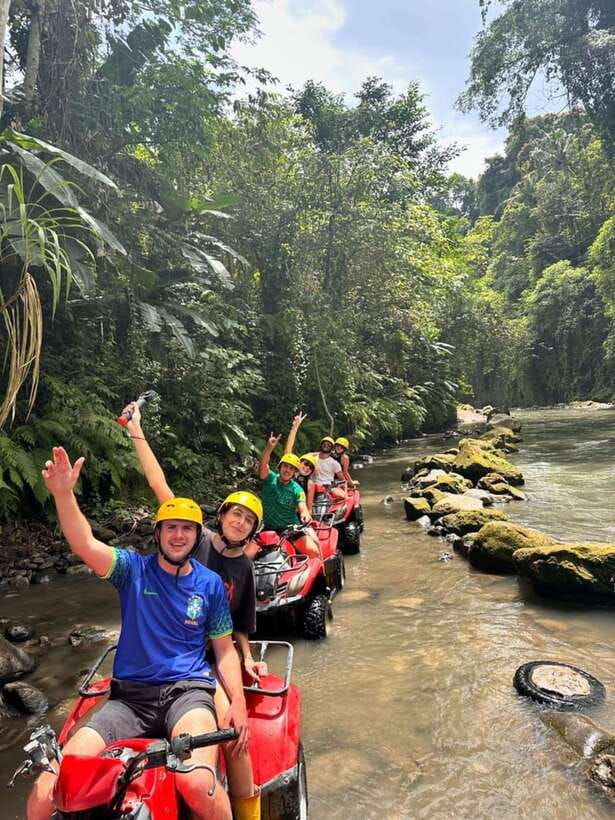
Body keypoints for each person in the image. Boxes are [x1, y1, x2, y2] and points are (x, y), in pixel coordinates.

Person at [28, 448, 247, 820]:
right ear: (158, 533)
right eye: (171, 527)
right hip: (129, 699)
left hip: (188, 692)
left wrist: (238, 701)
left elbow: (224, 651)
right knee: (48, 791)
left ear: (197, 537)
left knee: (196, 784)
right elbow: (85, 544)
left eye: (187, 529)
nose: (178, 535)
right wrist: (63, 494)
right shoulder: (132, 570)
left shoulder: (210, 583)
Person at [121, 402, 263, 819]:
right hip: (161, 649)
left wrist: (248, 656)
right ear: (220, 517)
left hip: (205, 660)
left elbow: (240, 625)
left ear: (253, 531)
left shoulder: (245, 567)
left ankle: (246, 811)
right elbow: (158, 483)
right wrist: (136, 431)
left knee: (232, 730)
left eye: (247, 520)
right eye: (235, 513)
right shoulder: (190, 538)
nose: (239, 522)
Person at [258, 434, 320, 559]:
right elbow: (263, 465)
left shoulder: (297, 489)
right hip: (269, 528)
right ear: (280, 467)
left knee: (314, 552)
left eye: (291, 468)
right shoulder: (269, 478)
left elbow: (302, 507)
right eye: (285, 466)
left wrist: (305, 514)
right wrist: (269, 448)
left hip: (291, 529)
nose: (287, 470)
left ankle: (323, 575)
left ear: (294, 472)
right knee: (247, 554)